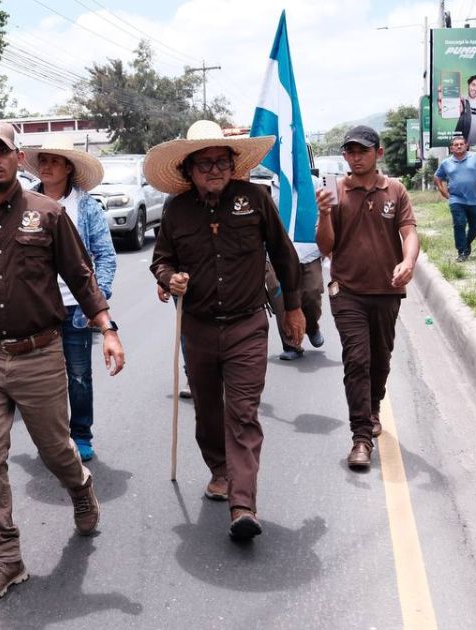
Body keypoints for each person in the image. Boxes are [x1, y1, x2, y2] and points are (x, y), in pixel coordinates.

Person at [0, 123, 125, 603]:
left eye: (2, 152)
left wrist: (107, 329)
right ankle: (7, 557)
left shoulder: (48, 215)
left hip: (41, 354)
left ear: (17, 158)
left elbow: (81, 274)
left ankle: (80, 488)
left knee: (55, 451)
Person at [147, 120, 305, 541]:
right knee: (209, 412)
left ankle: (243, 505)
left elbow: (284, 254)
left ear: (233, 165)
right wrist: (169, 278)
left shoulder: (255, 199)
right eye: (204, 164)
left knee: (242, 413)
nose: (214, 170)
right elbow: (160, 260)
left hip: (247, 327)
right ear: (189, 171)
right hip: (196, 329)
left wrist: (294, 308)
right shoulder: (176, 210)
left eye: (221, 162)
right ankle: (219, 467)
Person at [314, 125, 419, 470]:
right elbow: (326, 247)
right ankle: (361, 438)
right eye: (350, 152)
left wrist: (408, 261)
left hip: (387, 291)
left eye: (362, 151)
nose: (356, 157)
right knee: (356, 360)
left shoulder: (396, 190)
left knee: (380, 359)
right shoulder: (335, 192)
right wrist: (325, 214)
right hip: (347, 291)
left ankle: (373, 406)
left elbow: (409, 232)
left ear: (379, 153)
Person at [22, 134, 117, 462]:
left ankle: (81, 434)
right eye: (43, 161)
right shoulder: (23, 203)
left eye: (54, 161)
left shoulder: (86, 206)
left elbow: (105, 256)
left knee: (77, 376)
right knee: (39, 379)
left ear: (68, 168)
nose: (47, 167)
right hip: (36, 309)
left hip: (76, 307)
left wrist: (98, 300)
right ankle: (50, 437)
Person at [434, 136, 476, 262]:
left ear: (466, 146)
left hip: (475, 198)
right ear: (451, 148)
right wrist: (444, 192)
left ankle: (466, 244)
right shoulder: (446, 163)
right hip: (456, 199)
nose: (459, 146)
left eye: (461, 144)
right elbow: (437, 177)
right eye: (456, 145)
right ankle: (462, 251)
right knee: (459, 223)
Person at [264, 243, 326, 361]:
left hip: (308, 252)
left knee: (312, 293)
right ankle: (291, 345)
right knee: (280, 298)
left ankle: (311, 326)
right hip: (275, 255)